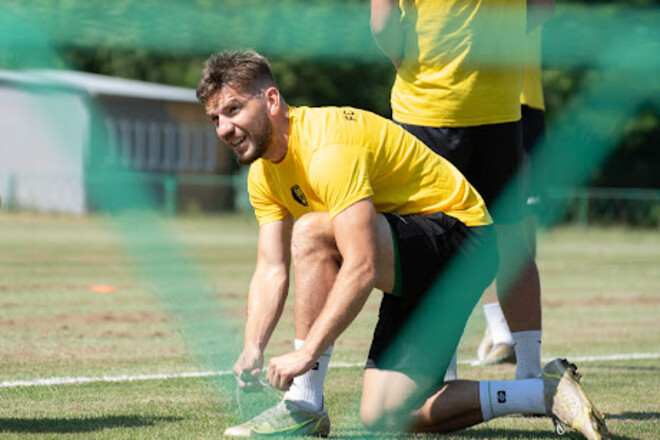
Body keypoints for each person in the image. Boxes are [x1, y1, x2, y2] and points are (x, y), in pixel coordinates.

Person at [196, 49, 608, 439]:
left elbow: (362, 266)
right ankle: (543, 392)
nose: (224, 128)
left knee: (312, 231)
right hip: (411, 253)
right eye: (216, 118)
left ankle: (303, 402)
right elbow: (270, 269)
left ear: (271, 100)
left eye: (233, 110)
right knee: (383, 415)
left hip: (463, 238)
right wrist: (253, 346)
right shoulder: (263, 176)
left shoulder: (327, 147)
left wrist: (306, 356)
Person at [370, 0, 553, 379]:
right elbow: (542, 7)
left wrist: (412, 62)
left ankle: (440, 376)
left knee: (427, 246)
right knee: (511, 242)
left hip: (425, 108)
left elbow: (382, 23)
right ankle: (531, 374)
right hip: (500, 108)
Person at [477, 23, 551, 365]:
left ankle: (508, 330)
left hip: (524, 103)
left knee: (519, 228)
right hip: (484, 102)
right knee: (480, 221)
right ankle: (499, 329)